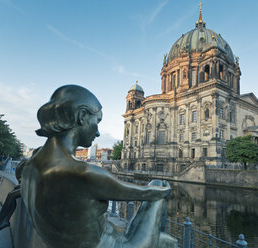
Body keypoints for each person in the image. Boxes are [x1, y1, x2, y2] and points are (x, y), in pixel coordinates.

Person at [20, 85, 177, 248]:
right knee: (159, 185)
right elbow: (148, 193)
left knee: (168, 242)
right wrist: (165, 189)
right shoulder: (83, 172)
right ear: (81, 116)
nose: (98, 133)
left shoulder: (28, 166)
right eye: (97, 121)